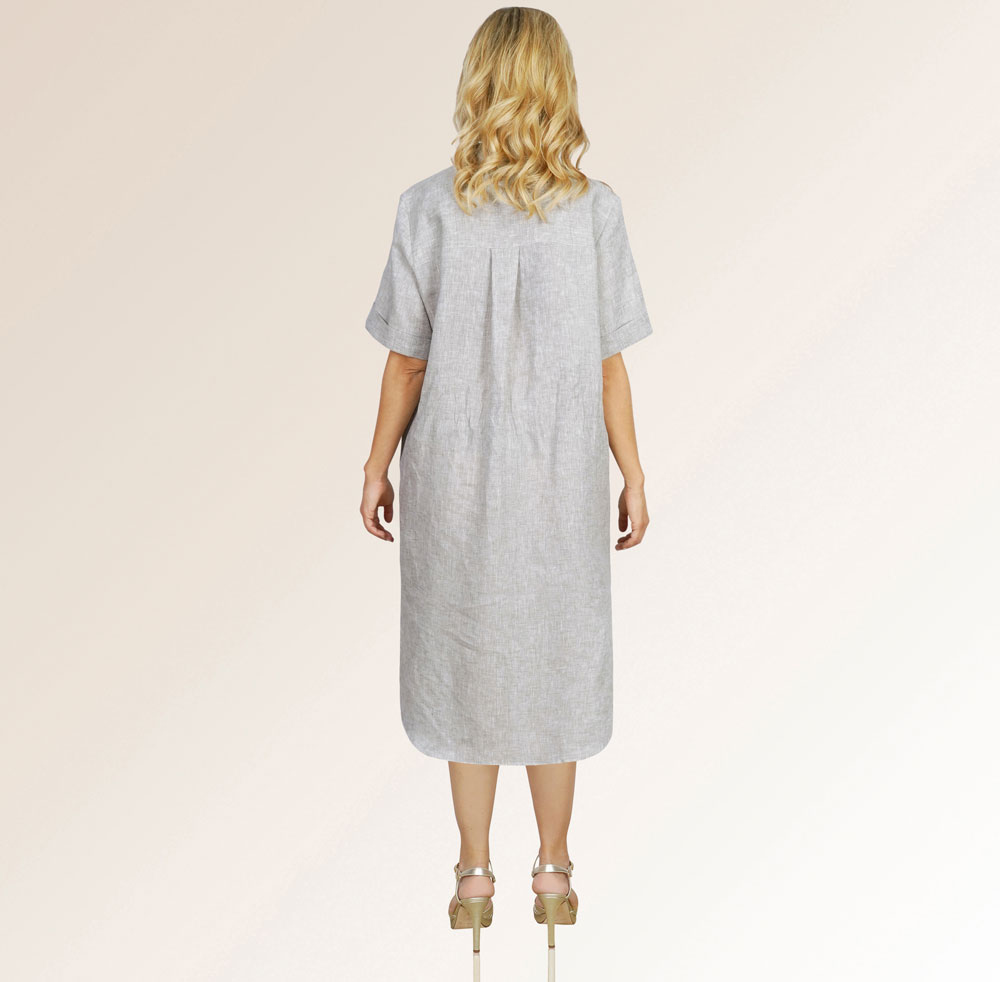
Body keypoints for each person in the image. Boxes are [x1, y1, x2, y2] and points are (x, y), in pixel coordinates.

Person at [360, 7, 651, 978]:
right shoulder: (595, 211)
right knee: (555, 656)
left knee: (467, 657)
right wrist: (632, 471)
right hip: (560, 475)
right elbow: (609, 363)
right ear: (559, 87)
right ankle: (554, 868)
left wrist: (375, 465)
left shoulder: (426, 208)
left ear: (476, 82)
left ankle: (473, 871)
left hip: (455, 476)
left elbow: (407, 360)